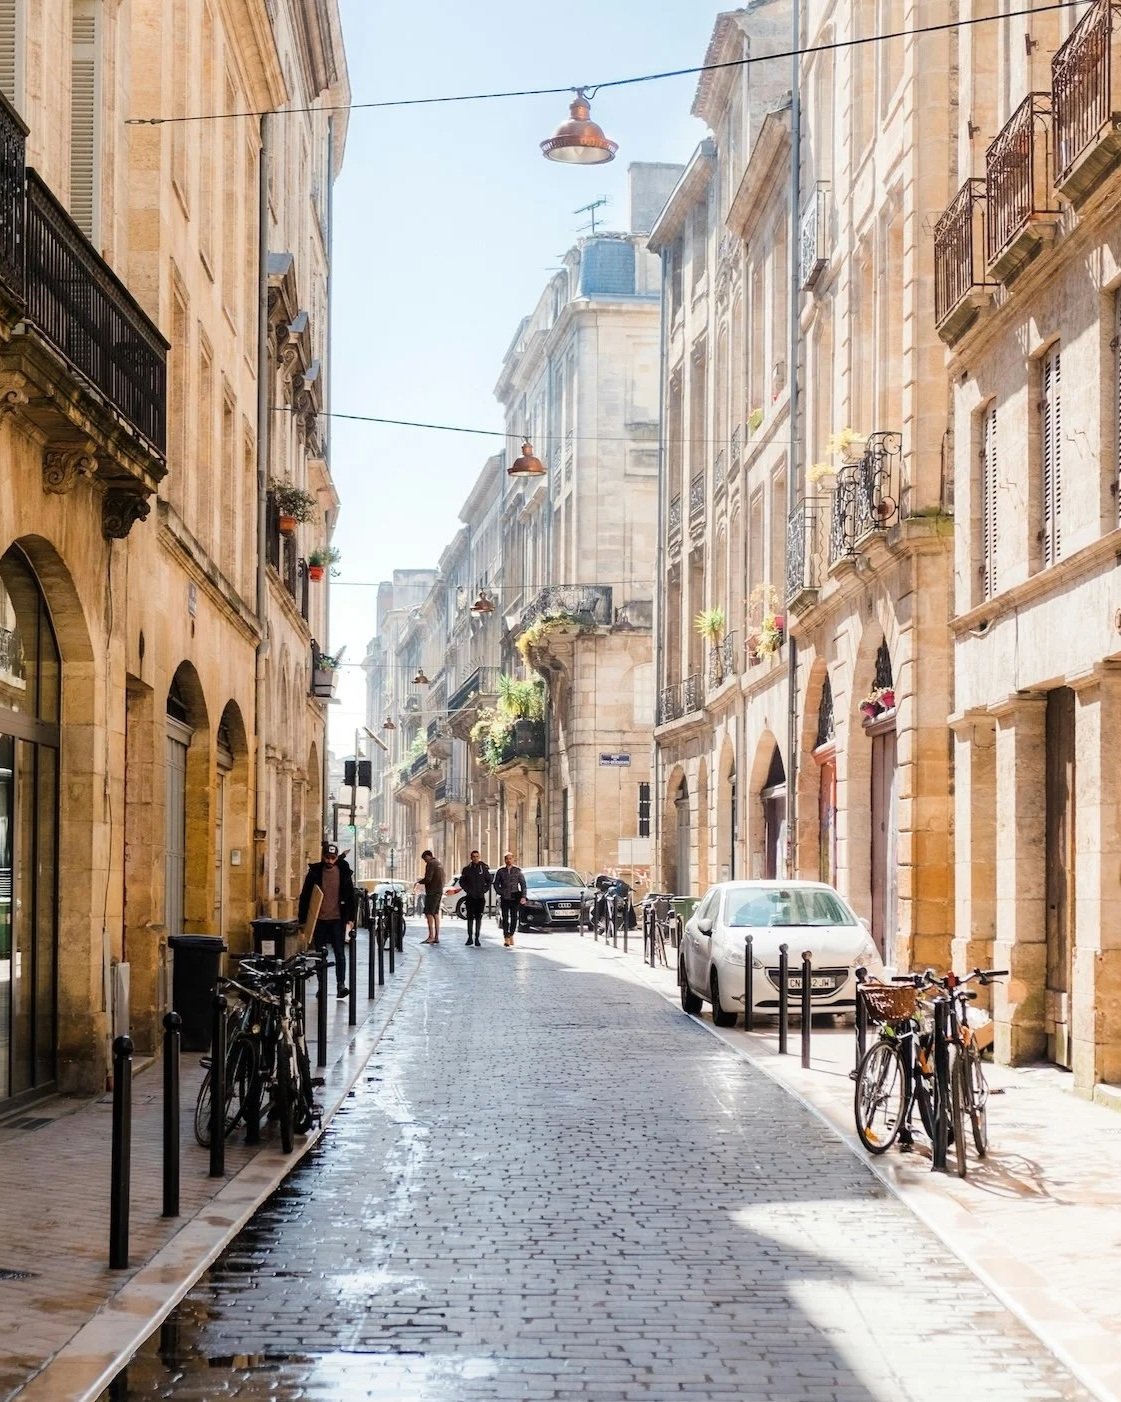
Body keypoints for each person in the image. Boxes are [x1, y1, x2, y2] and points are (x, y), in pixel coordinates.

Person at [298, 841, 356, 998]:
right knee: (320, 954)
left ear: (336, 858)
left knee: (339, 953)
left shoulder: (344, 873)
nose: (330, 861)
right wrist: (303, 920)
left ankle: (340, 985)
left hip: (337, 919)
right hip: (319, 920)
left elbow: (351, 897)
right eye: (327, 857)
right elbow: (305, 897)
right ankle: (321, 986)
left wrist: (351, 918)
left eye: (333, 857)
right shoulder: (315, 873)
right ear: (323, 857)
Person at [458, 850, 493, 946]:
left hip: (480, 897)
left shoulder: (483, 868)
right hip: (470, 897)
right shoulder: (467, 869)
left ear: (479, 857)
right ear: (471, 858)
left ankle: (477, 938)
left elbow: (489, 880)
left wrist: (484, 889)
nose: (475, 858)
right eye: (473, 856)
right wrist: (467, 890)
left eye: (477, 856)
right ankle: (469, 937)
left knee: (478, 918)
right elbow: (462, 881)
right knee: (469, 918)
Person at [492, 852, 526, 947]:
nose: (508, 860)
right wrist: (500, 892)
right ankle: (506, 936)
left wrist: (523, 896)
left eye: (510, 858)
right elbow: (495, 883)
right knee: (505, 917)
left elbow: (523, 884)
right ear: (504, 860)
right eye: (507, 859)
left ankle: (511, 934)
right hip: (505, 897)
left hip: (515, 897)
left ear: (513, 859)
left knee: (514, 917)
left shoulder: (517, 871)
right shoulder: (501, 871)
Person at [418, 848, 446, 944]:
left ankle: (431, 936)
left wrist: (419, 882)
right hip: (439, 891)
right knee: (436, 913)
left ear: (427, 856)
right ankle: (436, 936)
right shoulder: (439, 863)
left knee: (429, 913)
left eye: (424, 859)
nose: (425, 861)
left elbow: (428, 878)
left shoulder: (430, 864)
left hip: (432, 892)